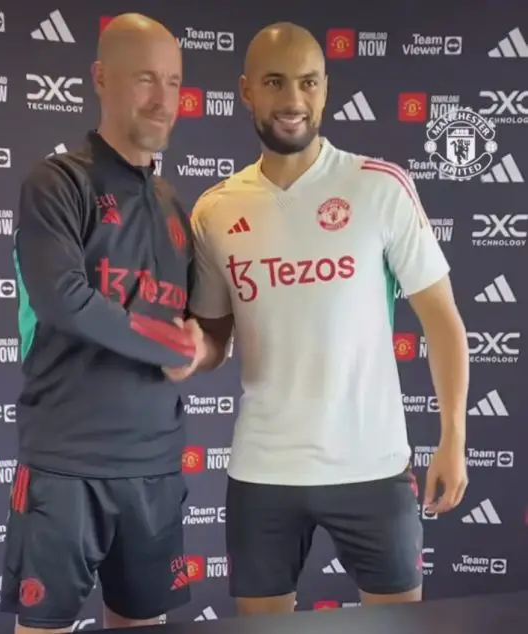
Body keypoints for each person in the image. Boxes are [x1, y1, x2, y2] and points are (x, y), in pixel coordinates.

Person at [165, 23, 470, 615]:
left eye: (308, 83)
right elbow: (214, 338)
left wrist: (453, 439)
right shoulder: (215, 210)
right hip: (263, 472)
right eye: (275, 83)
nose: (293, 100)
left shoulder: (379, 186)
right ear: (246, 90)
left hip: (373, 466)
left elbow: (443, 321)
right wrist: (186, 351)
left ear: (325, 90)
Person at [0, 14, 205, 633]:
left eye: (173, 82)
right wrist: (170, 345)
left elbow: (194, 325)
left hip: (155, 464)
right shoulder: (58, 182)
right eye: (145, 78)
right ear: (100, 78)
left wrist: (197, 342)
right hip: (67, 464)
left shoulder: (174, 206)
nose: (163, 99)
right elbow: (64, 298)